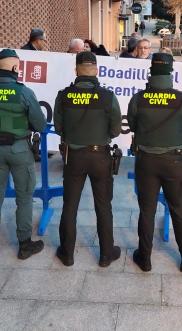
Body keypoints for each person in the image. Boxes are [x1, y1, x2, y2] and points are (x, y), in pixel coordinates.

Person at [127, 53, 182, 273]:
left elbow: (133, 126)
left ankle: (145, 258)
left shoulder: (138, 99)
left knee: (146, 210)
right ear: (171, 72)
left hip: (146, 161)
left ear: (151, 72)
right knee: (179, 210)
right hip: (175, 161)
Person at [0, 49, 47, 260]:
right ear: (15, 68)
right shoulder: (23, 92)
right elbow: (39, 124)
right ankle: (24, 245)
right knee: (24, 198)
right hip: (20, 149)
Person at [54, 52, 122, 267]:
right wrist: (100, 138)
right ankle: (105, 254)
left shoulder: (64, 95)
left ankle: (67, 254)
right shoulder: (108, 96)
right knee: (103, 206)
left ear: (76, 71)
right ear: (97, 71)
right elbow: (116, 129)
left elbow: (58, 128)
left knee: (70, 205)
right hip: (100, 156)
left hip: (73, 157)